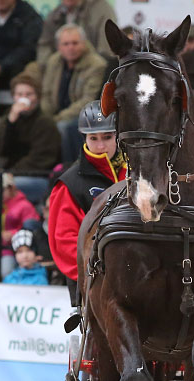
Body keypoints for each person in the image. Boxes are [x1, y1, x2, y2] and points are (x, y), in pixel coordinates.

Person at [48, 100, 126, 284]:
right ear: (84, 138)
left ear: (118, 135)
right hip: (95, 283)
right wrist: (102, 274)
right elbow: (64, 244)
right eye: (93, 138)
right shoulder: (70, 183)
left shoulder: (137, 172)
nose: (100, 146)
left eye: (107, 137)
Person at [32, 24, 106, 164]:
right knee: (37, 124)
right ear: (59, 46)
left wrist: (57, 119)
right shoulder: (54, 61)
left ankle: (69, 169)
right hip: (56, 116)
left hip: (85, 117)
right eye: (66, 44)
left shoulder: (96, 64)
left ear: (84, 44)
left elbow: (87, 101)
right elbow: (46, 95)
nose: (70, 47)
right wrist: (46, 119)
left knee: (63, 127)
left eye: (75, 43)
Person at [0, 72, 60, 206]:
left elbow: (40, 159)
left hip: (35, 176)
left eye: (29, 94)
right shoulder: (9, 117)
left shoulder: (45, 122)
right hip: (9, 174)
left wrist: (11, 174)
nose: (23, 98)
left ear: (37, 97)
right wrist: (10, 123)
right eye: (19, 95)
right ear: (13, 97)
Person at [0, 172, 39, 276]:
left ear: (11, 188)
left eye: (0, 190)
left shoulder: (24, 205)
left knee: (6, 271)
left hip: (11, 249)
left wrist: (13, 234)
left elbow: (31, 229)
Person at [35, 0, 117, 65]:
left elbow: (106, 50)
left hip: (92, 66)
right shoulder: (54, 15)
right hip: (61, 67)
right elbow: (44, 46)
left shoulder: (101, 9)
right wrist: (50, 67)